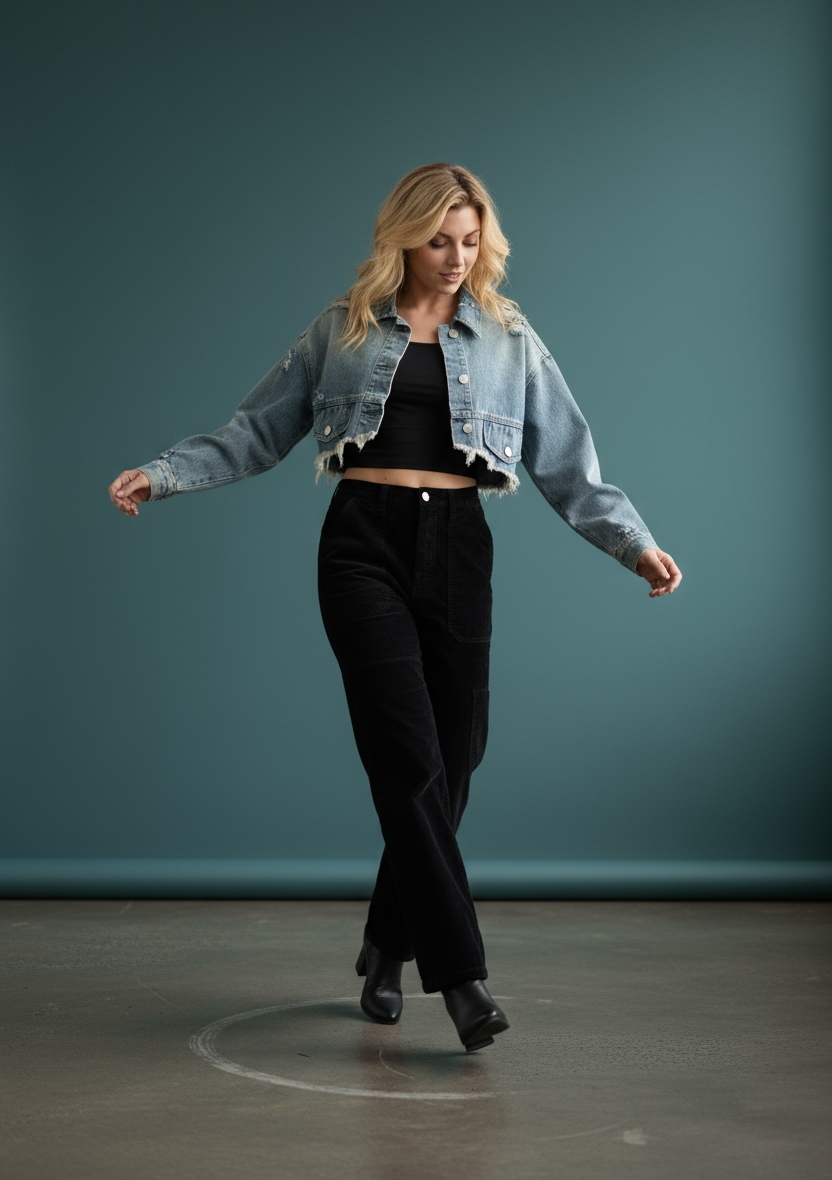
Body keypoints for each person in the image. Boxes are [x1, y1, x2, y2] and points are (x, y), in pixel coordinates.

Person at [108, 163, 681, 1054]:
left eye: (470, 241)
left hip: (458, 545)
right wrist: (164, 473)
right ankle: (462, 980)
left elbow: (568, 461)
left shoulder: (508, 335)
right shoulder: (343, 326)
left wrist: (632, 543)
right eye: (439, 241)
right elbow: (258, 429)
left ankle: (386, 943)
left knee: (455, 759)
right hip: (362, 544)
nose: (457, 258)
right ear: (403, 239)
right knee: (406, 757)